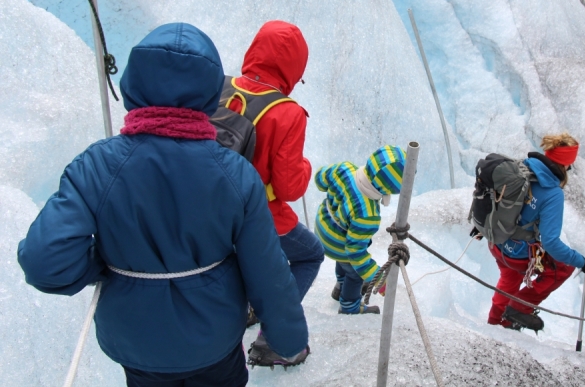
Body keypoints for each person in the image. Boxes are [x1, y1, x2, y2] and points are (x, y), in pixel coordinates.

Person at [17, 23, 309, 386]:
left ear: (132, 82)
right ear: (209, 91)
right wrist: (289, 339)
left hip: (134, 340)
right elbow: (267, 271)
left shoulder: (96, 165)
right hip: (214, 339)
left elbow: (44, 260)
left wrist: (101, 266)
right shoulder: (235, 173)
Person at [226, 20, 324, 305]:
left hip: (208, 205)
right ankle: (273, 339)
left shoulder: (221, 87)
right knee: (310, 255)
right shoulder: (288, 113)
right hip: (256, 215)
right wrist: (305, 166)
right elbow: (288, 188)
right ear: (294, 69)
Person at [486, 133, 585, 332]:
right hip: (517, 254)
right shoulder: (553, 194)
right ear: (566, 165)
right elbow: (551, 242)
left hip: (497, 242)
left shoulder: (521, 168)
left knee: (509, 279)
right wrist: (582, 262)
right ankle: (518, 309)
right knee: (562, 268)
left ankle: (496, 323)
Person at [315, 146, 406, 314]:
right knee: (355, 272)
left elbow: (320, 178)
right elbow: (355, 253)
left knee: (344, 260)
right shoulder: (367, 214)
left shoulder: (345, 169)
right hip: (337, 244)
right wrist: (378, 279)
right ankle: (349, 307)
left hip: (321, 228)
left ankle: (340, 288)